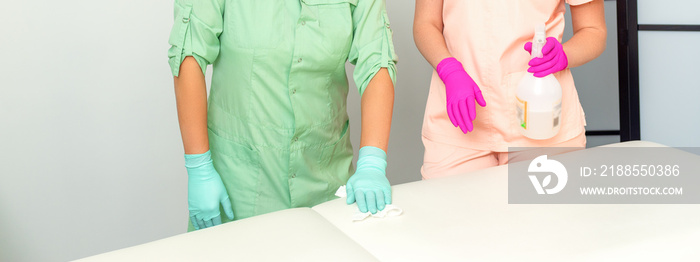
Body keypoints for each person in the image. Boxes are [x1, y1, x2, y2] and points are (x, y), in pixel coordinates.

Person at [168, 0, 397, 231]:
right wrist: (199, 167)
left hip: (325, 182)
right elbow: (189, 55)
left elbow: (377, 61)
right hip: (239, 187)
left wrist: (372, 162)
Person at [413, 0, 607, 179]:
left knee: (547, 216)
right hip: (458, 121)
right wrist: (448, 69)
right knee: (448, 214)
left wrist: (563, 55)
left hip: (542, 119)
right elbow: (426, 23)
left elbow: (593, 29)